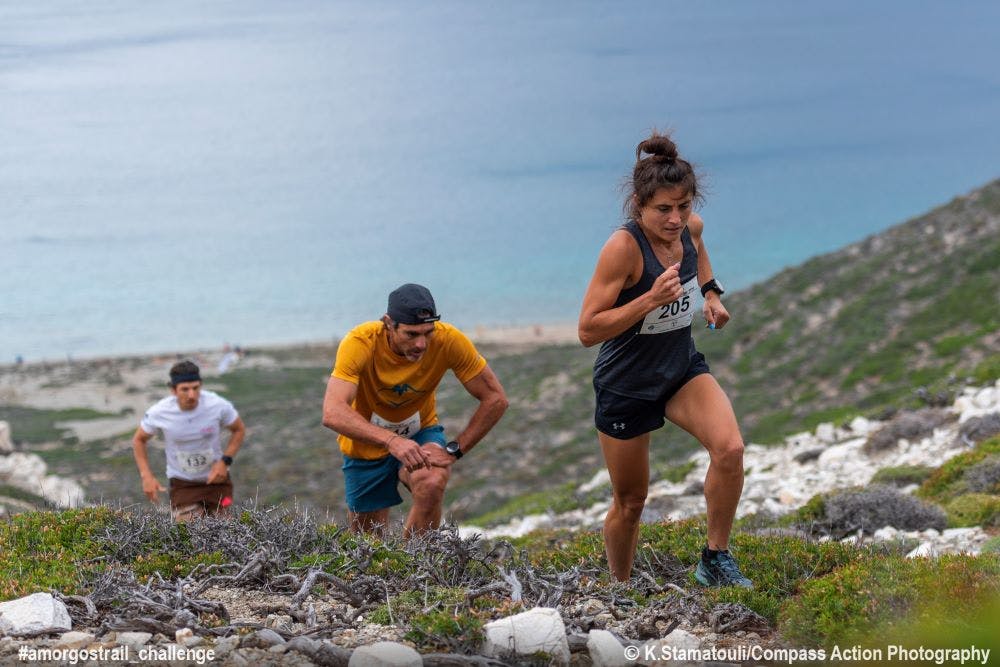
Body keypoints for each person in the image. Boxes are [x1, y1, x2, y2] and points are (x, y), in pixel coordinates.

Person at [578, 131, 752, 588]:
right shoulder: (623, 248)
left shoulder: (689, 229)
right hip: (626, 385)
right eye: (663, 209)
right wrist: (649, 300)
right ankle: (619, 588)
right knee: (631, 502)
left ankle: (715, 560)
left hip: (679, 370)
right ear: (639, 205)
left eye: (684, 206)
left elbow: (699, 254)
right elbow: (587, 330)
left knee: (730, 449)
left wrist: (711, 294)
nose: (675, 219)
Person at [322, 283, 508, 536]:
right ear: (388, 323)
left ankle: (415, 557)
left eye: (427, 333)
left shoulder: (448, 339)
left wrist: (456, 449)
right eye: (411, 334)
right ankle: (388, 559)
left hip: (420, 432)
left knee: (432, 481)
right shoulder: (361, 342)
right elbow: (332, 412)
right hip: (365, 443)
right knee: (366, 542)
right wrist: (392, 440)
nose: (421, 344)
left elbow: (496, 398)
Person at [131, 360, 247, 522]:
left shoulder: (218, 405)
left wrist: (225, 461)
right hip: (183, 484)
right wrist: (147, 477)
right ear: (173, 390)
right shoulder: (160, 412)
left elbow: (239, 429)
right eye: (185, 389)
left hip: (217, 481)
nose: (191, 395)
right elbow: (139, 440)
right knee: (188, 529)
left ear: (201, 385)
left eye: (195, 388)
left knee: (227, 529)